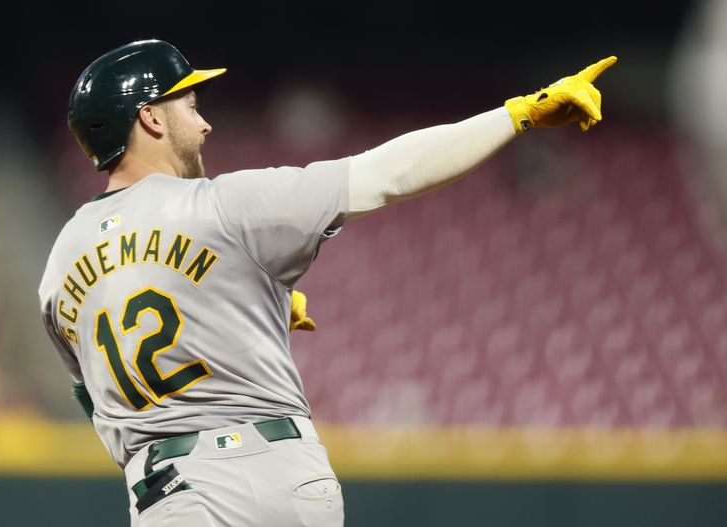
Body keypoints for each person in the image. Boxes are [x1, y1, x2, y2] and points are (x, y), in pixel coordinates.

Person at [38, 39, 616, 526]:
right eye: (189, 103)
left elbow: (94, 390)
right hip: (282, 473)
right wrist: (519, 113)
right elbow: (387, 173)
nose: (205, 120)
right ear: (152, 117)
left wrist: (231, 308)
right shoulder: (223, 206)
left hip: (171, 491)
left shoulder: (60, 264)